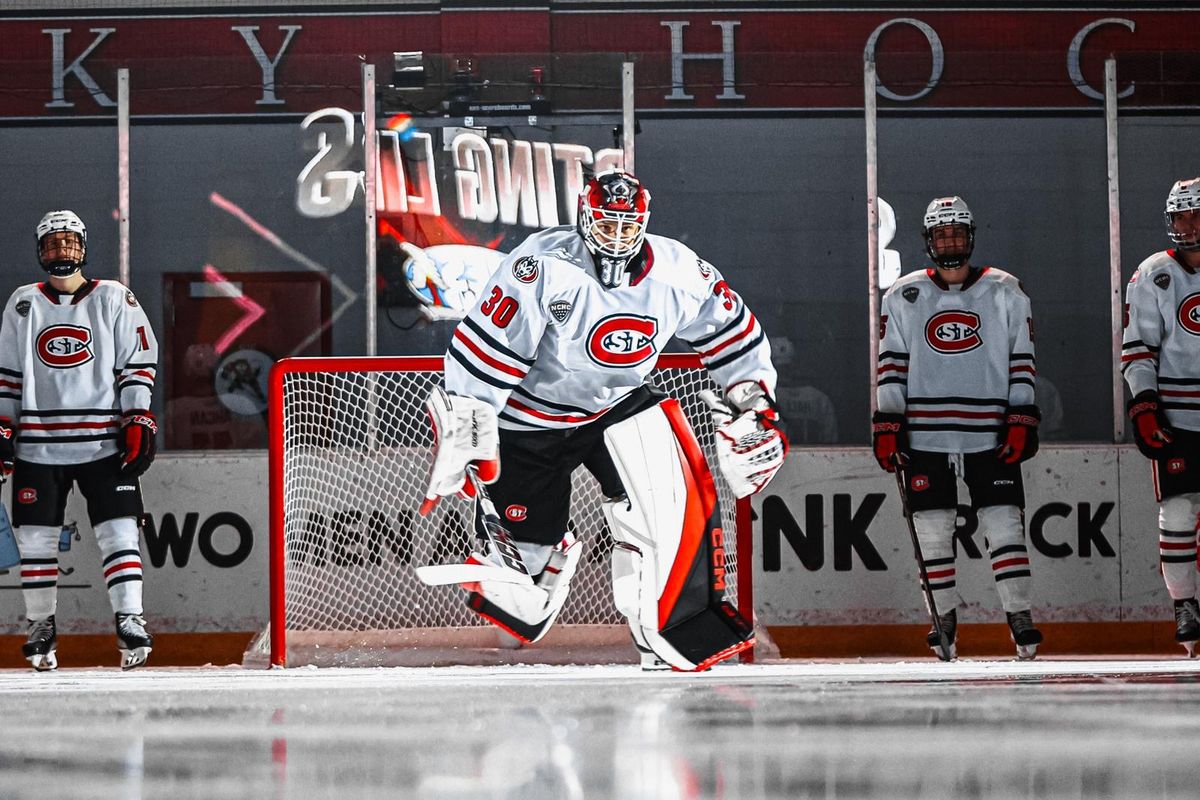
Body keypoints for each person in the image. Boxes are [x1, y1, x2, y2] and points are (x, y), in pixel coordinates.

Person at [418, 169, 787, 671]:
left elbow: (734, 336)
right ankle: (544, 558)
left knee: (676, 511)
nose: (617, 235)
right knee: (522, 606)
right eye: (606, 223)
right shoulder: (539, 265)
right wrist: (469, 419)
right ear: (584, 218)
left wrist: (754, 405)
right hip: (530, 421)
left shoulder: (681, 271)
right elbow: (485, 349)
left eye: (626, 224)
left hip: (619, 406)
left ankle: (669, 630)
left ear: (644, 222)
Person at [872, 196, 1043, 660]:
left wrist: (1021, 416)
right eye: (941, 234)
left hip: (988, 431)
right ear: (929, 241)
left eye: (956, 232)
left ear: (970, 237)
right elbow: (892, 364)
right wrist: (888, 421)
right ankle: (942, 618)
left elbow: (1022, 361)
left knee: (1005, 523)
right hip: (925, 433)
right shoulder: (904, 295)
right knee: (931, 529)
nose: (950, 241)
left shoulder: (1007, 290)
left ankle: (1019, 615)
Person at [0, 210, 159, 670]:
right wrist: (4, 427)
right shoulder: (22, 303)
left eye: (69, 242)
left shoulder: (113, 297)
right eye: (52, 244)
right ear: (39, 251)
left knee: (119, 532)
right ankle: (40, 626)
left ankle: (130, 620)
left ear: (84, 246)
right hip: (38, 446)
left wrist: (137, 416)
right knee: (34, 540)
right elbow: (8, 377)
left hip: (102, 444)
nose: (61, 251)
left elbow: (137, 363)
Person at [1121, 176, 1200, 657]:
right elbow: (1138, 350)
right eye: (1181, 216)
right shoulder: (1152, 274)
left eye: (1197, 214)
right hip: (1177, 416)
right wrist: (1144, 403)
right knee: (1177, 511)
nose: (1188, 225)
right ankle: (1185, 606)